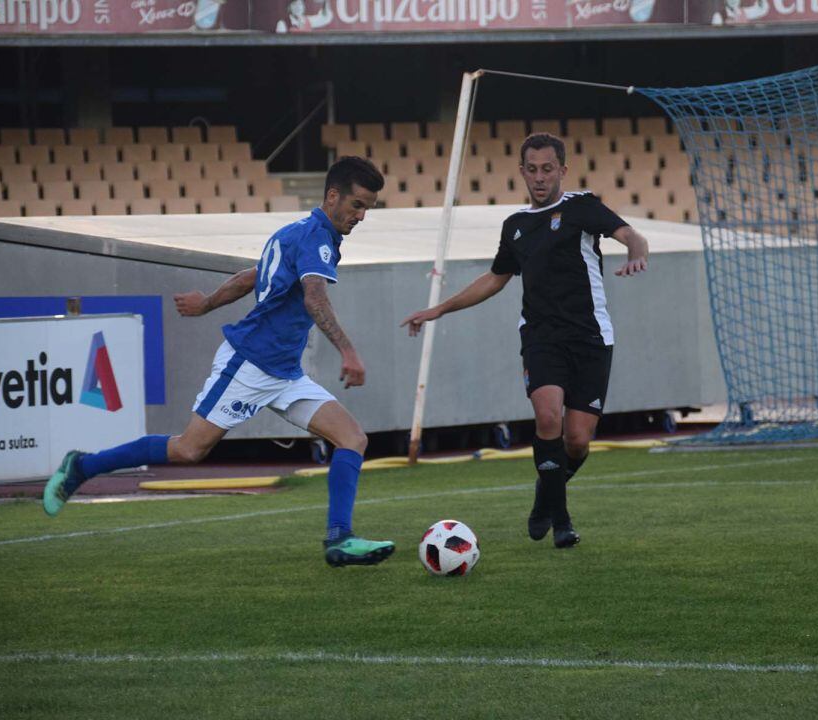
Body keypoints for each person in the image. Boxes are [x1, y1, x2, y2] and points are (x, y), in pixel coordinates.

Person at [44, 157, 395, 568]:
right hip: (249, 363)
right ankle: (81, 466)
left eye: (368, 207)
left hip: (283, 371)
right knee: (189, 451)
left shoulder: (300, 234)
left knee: (352, 438)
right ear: (332, 195)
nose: (362, 216)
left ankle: (340, 539)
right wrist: (348, 352)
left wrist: (207, 303)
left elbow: (252, 275)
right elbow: (313, 297)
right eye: (357, 205)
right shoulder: (315, 238)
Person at [401, 133, 649, 549]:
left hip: (591, 338)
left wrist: (637, 253)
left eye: (547, 169)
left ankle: (545, 495)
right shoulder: (515, 226)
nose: (539, 177)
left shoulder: (581, 207)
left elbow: (629, 235)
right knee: (548, 417)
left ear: (562, 171)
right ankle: (563, 520)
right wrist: (438, 309)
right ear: (521, 172)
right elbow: (495, 279)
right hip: (541, 338)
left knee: (578, 441)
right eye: (531, 169)